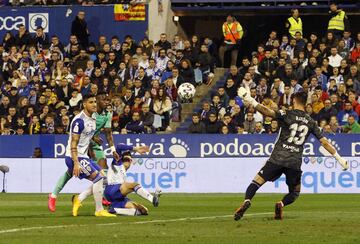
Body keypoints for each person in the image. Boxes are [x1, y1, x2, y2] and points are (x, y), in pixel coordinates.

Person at [234, 88, 349, 221]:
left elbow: (267, 112)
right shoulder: (311, 122)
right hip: (294, 162)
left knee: (256, 182)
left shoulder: (287, 113)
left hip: (277, 158)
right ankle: (281, 204)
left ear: (294, 100)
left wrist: (251, 100)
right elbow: (324, 143)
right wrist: (339, 159)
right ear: (305, 103)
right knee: (295, 192)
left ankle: (247, 200)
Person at [48, 92, 120, 212]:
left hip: (83, 156)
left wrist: (94, 138)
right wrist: (76, 163)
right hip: (75, 157)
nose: (94, 104)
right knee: (98, 178)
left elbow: (87, 134)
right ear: (84, 104)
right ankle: (98, 208)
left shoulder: (93, 118)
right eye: (91, 102)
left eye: (94, 102)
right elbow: (74, 143)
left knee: (102, 176)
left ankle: (55, 196)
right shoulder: (79, 121)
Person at [103, 144, 161, 216]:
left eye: (129, 160)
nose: (128, 162)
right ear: (122, 159)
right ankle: (153, 199)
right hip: (111, 190)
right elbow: (119, 147)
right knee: (134, 185)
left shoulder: (123, 173)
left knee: (143, 210)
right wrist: (136, 149)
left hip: (118, 198)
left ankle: (114, 210)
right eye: (126, 159)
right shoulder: (117, 163)